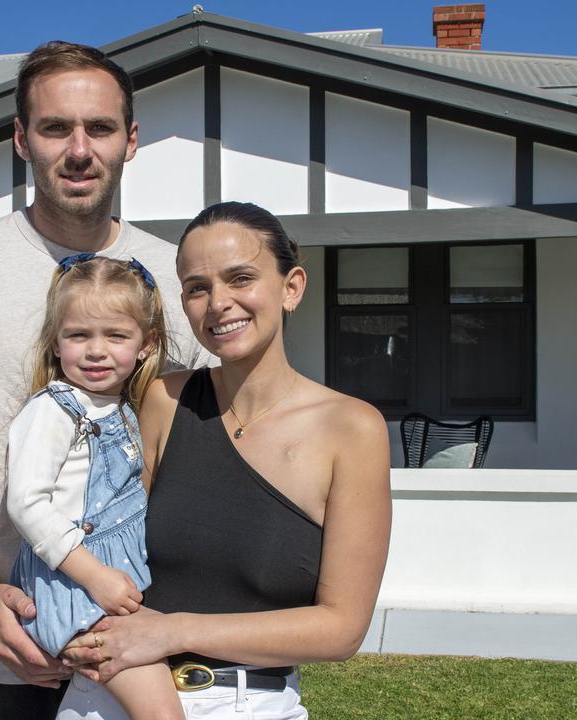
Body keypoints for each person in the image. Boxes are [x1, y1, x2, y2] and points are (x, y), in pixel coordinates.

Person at [0, 42, 208, 719]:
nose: (79, 149)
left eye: (101, 128)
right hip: (15, 651)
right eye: (56, 128)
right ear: (22, 139)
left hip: (153, 630)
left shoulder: (179, 275)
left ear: (130, 140)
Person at [55, 202, 393, 719]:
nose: (218, 303)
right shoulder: (163, 401)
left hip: (249, 703)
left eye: (241, 278)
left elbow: (342, 628)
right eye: (197, 287)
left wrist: (173, 631)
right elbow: (99, 536)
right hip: (112, 695)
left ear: (292, 287)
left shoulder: (351, 430)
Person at [7, 255, 184, 720]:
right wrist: (95, 576)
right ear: (56, 342)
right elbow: (26, 505)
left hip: (108, 588)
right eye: (79, 335)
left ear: (146, 345)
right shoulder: (52, 410)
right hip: (78, 590)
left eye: (116, 335)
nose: (96, 350)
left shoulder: (120, 408)